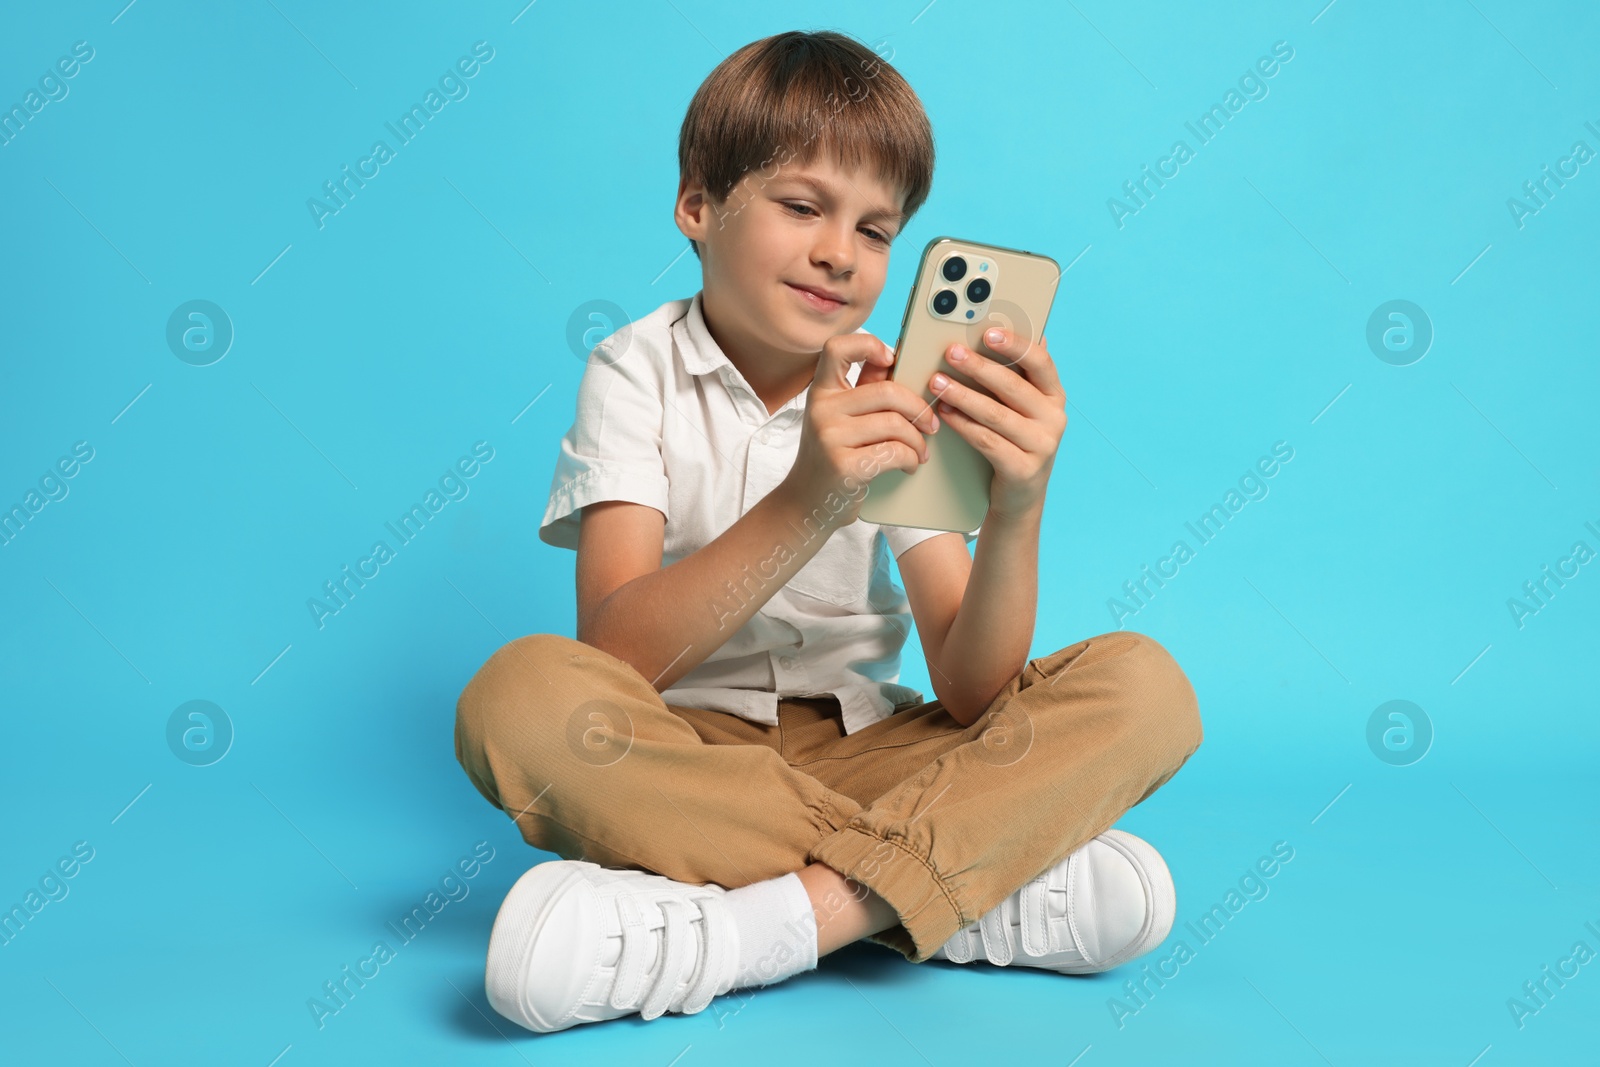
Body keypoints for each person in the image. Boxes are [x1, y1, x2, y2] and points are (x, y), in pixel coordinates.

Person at [453, 29, 1203, 1034]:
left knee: (1143, 683)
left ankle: (751, 927)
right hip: (691, 758)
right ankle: (964, 882)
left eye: (876, 229)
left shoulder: (895, 394)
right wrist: (811, 497)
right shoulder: (634, 371)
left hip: (876, 747)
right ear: (697, 206)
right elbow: (619, 654)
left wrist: (1017, 506)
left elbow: (973, 685)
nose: (837, 252)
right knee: (520, 697)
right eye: (802, 206)